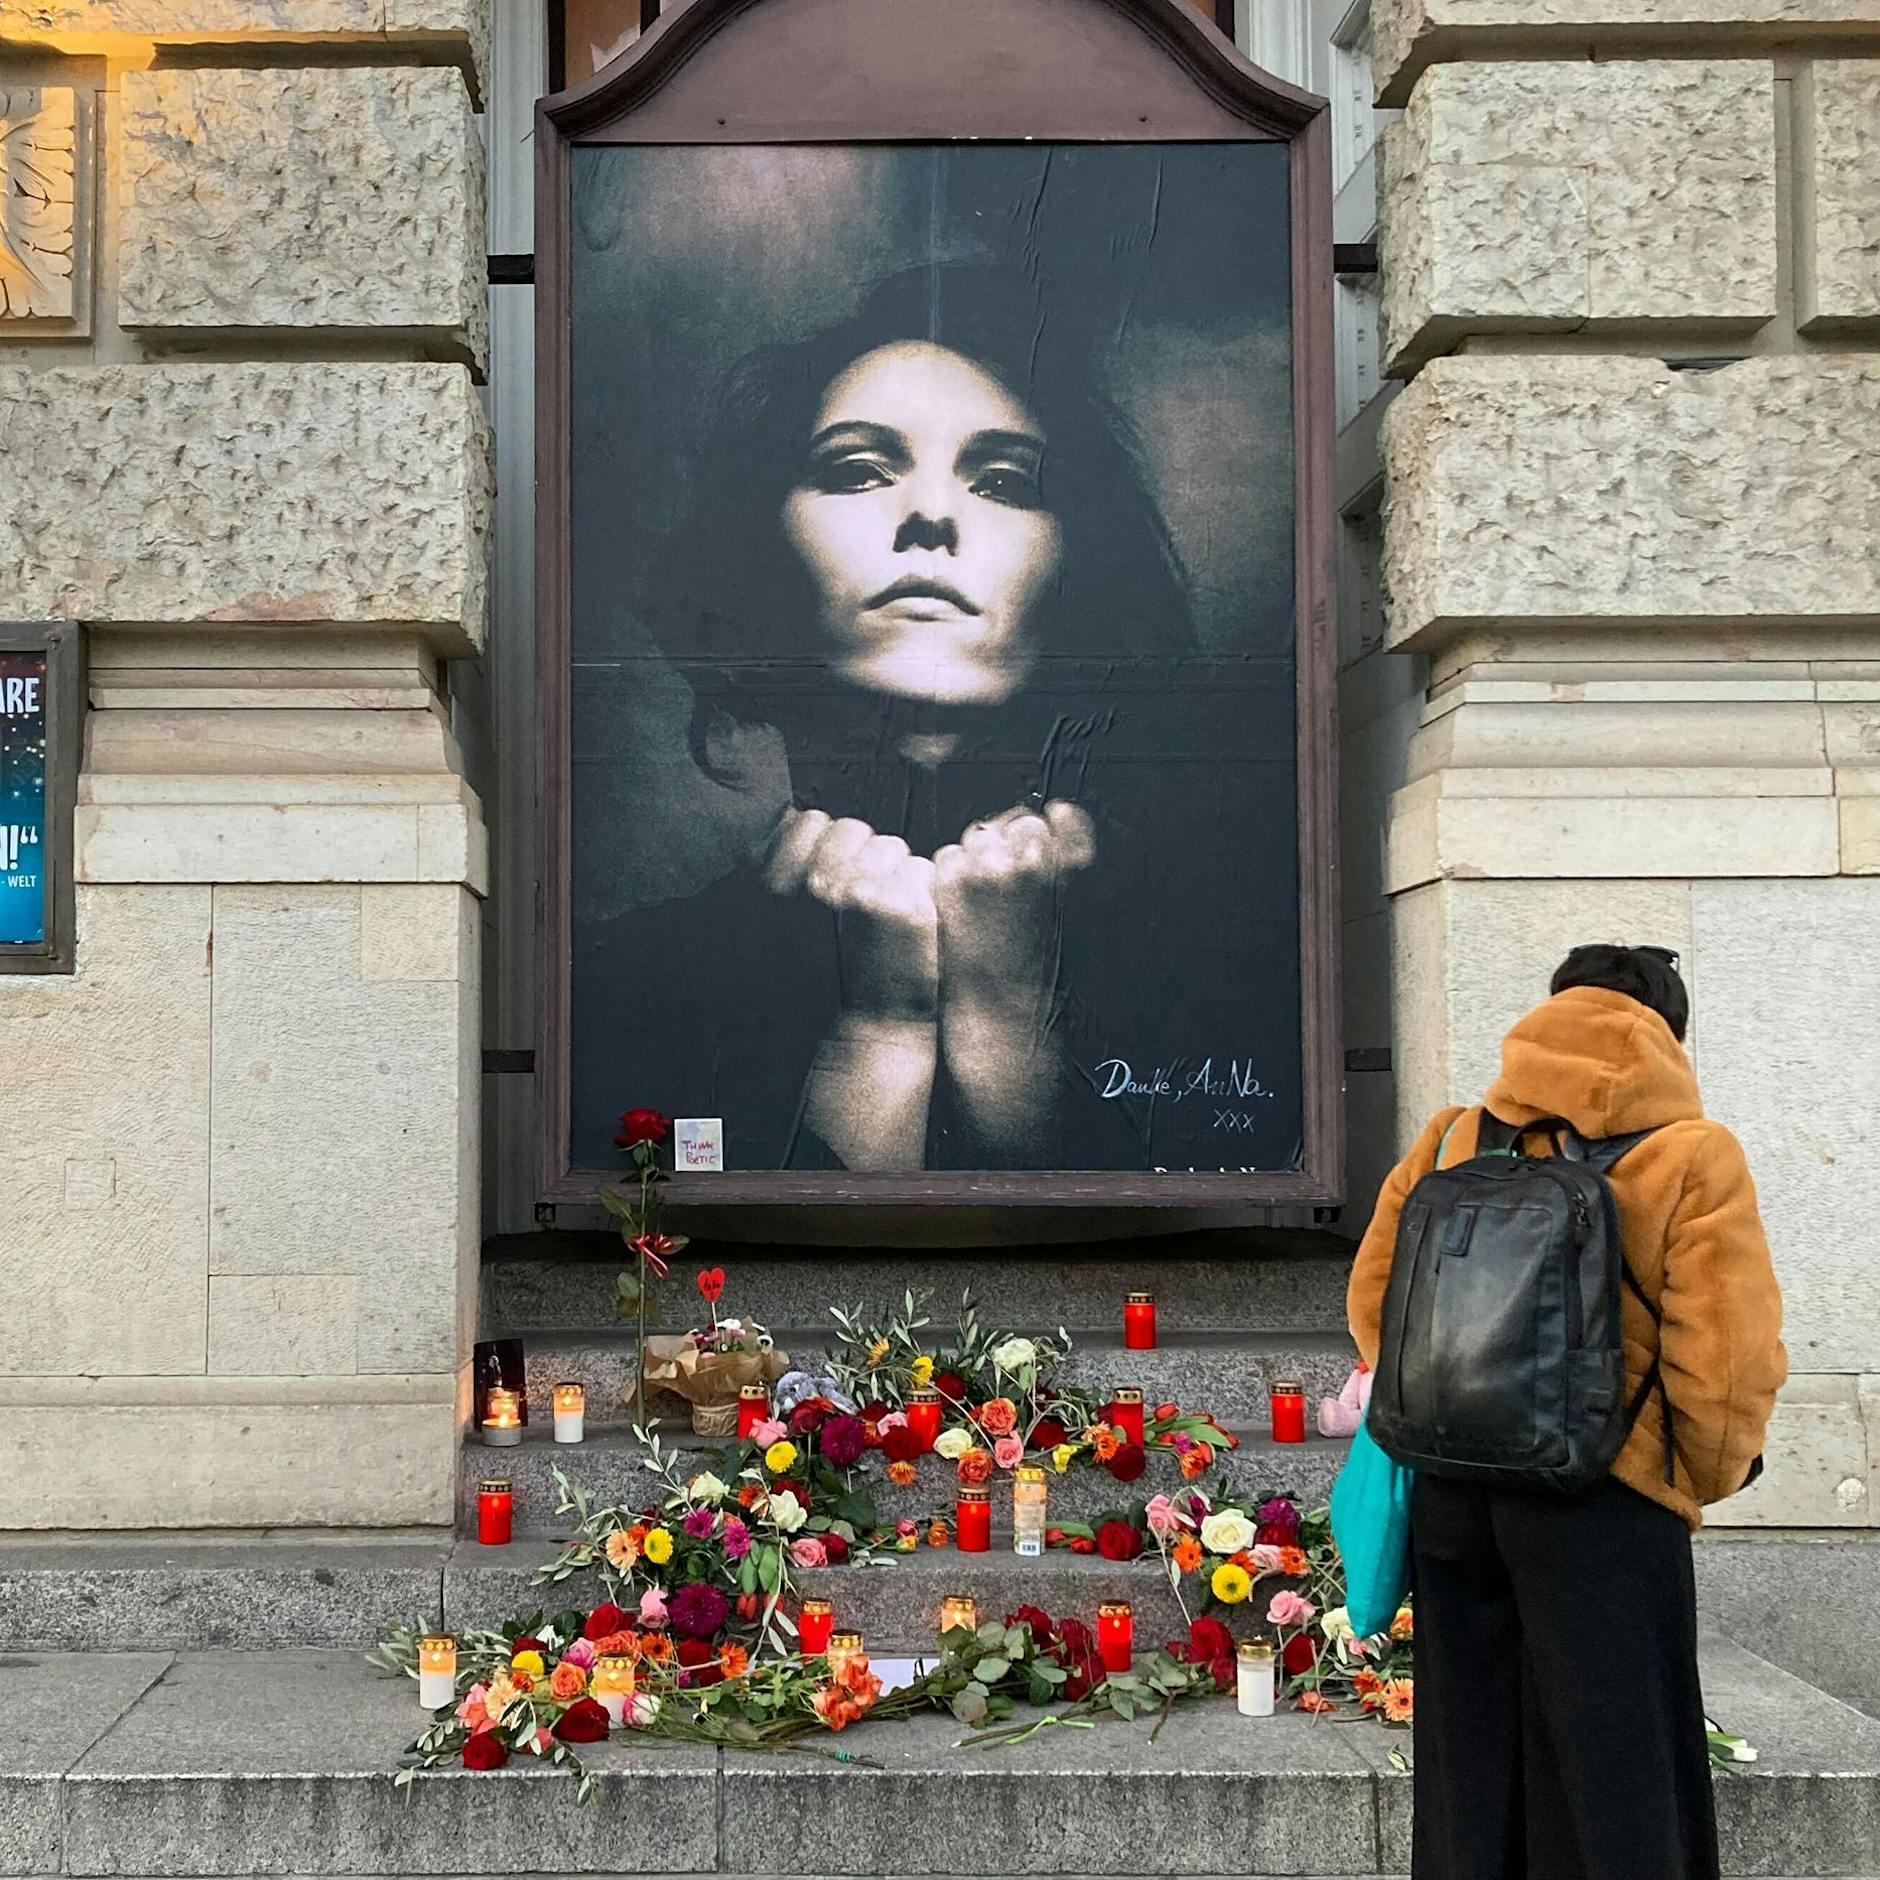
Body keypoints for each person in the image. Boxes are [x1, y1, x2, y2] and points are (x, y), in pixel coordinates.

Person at [574, 262, 1299, 1173]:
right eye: (857, 469)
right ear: (758, 555)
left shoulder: (1240, 966)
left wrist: (1006, 1020)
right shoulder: (618, 988)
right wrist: (877, 1036)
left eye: (999, 482)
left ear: (1078, 568)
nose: (929, 515)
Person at [1347, 943, 1786, 1880]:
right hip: (1604, 1500)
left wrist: (1455, 1409)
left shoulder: (1454, 1137)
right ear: (1669, 1033)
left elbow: (1376, 1299)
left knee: (1471, 1767)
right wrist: (1692, 1474)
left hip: (1458, 1493)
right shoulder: (1691, 1155)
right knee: (1621, 1783)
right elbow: (1727, 1359)